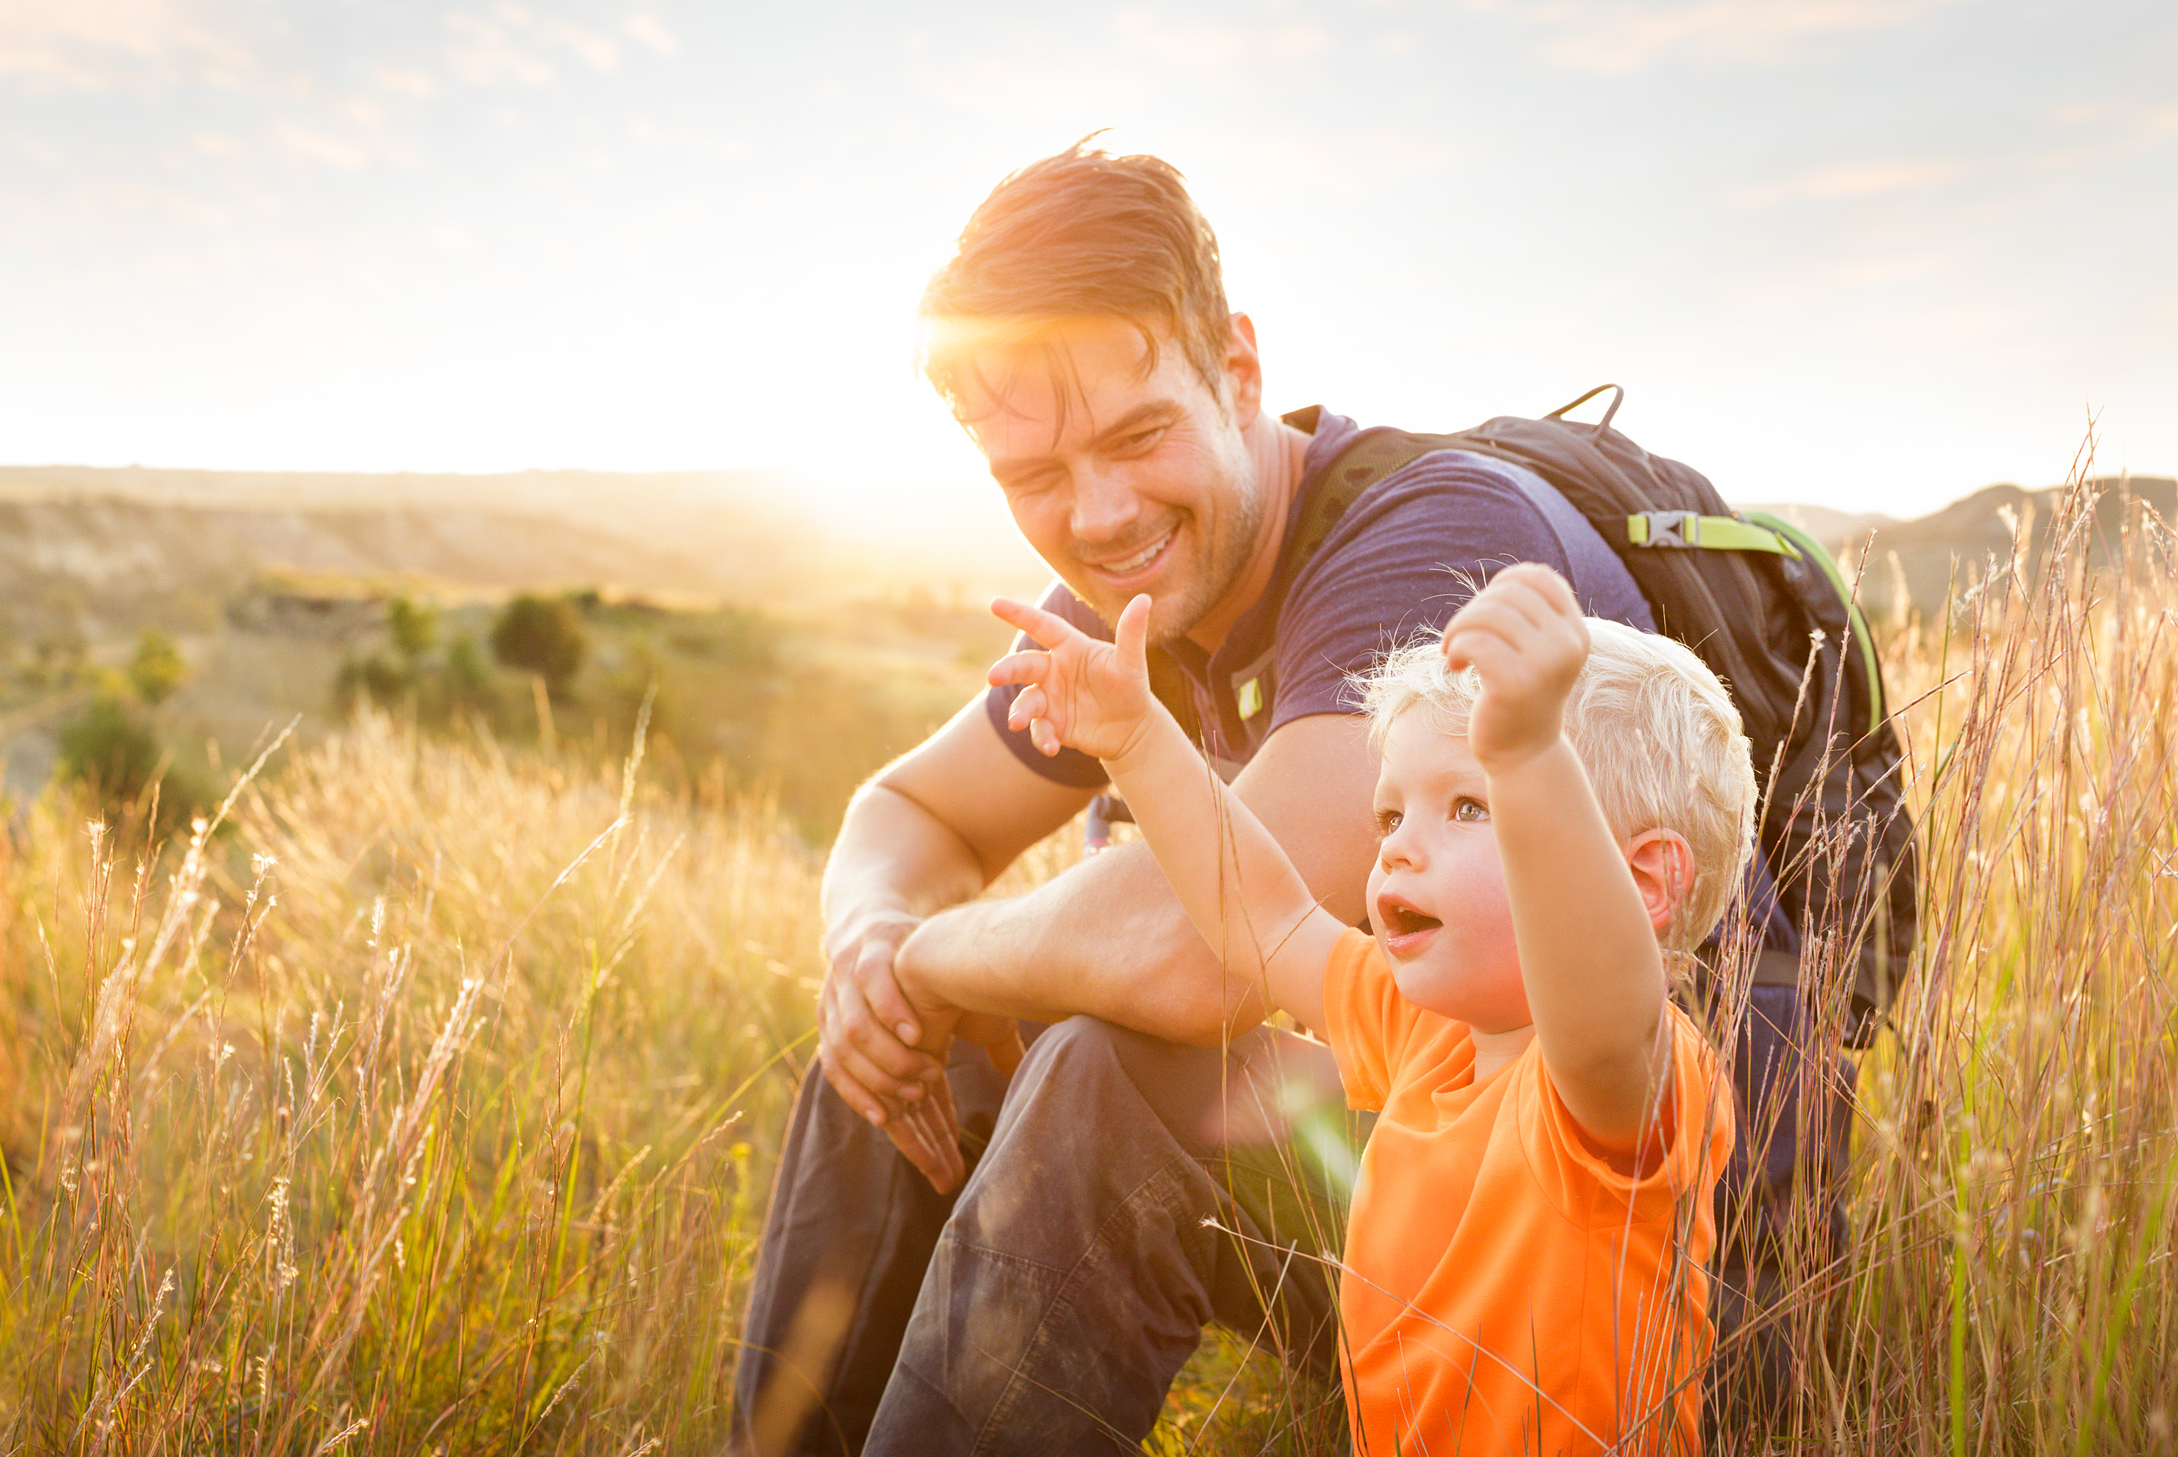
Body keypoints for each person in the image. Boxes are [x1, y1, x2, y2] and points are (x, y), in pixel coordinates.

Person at [732, 141, 1816, 1456]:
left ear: (1239, 369)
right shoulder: (1141, 593)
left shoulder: (1425, 542)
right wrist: (870, 951)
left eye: (1140, 437)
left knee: (1098, 1072)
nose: (1101, 513)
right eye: (1035, 479)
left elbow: (1202, 952)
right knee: (901, 1034)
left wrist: (926, 951)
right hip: (1433, 1157)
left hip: (1652, 1256)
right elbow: (906, 814)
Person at [986, 565, 1738, 1452]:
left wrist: (1531, 757)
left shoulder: (1625, 1084)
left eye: (1467, 806)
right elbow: (1265, 914)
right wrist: (1138, 740)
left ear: (1642, 882)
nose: (1399, 850)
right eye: (1390, 816)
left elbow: (1603, 999)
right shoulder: (1427, 1031)